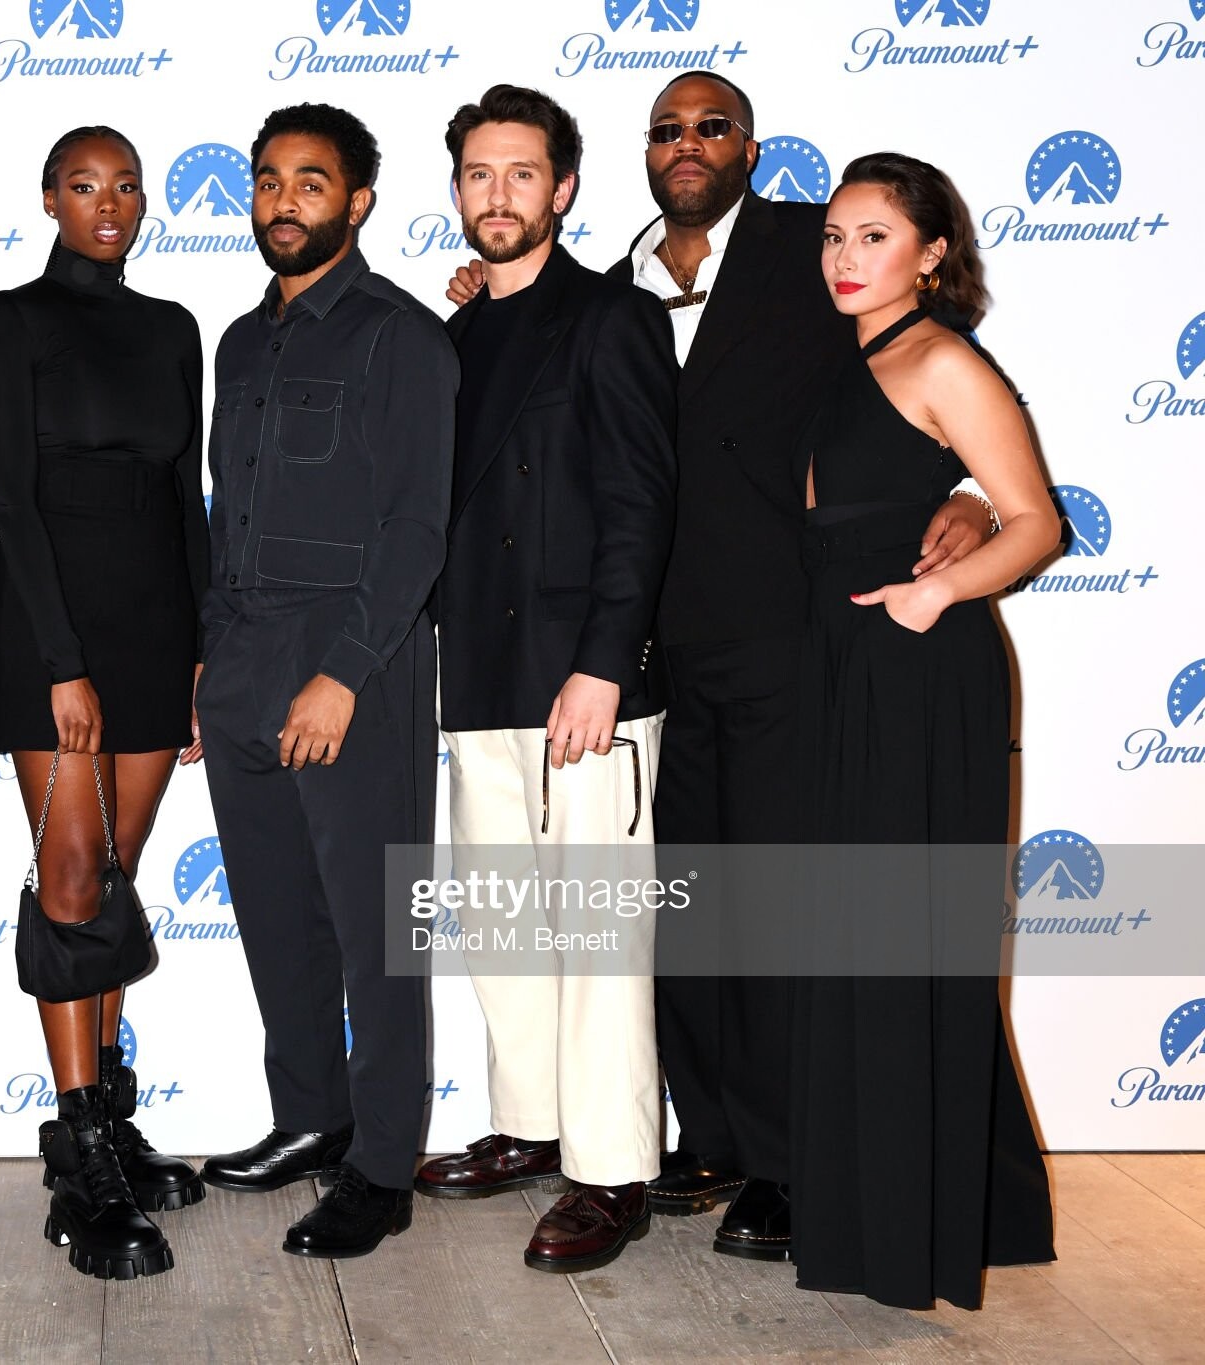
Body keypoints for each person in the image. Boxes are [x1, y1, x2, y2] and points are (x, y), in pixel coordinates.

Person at [447, 71, 992, 1261]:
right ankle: (712, 1134)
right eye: (665, 130)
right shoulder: (611, 282)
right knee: (685, 913)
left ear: (750, 146)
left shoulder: (814, 247)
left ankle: (792, 1163)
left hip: (793, 626)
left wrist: (956, 493)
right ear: (636, 156)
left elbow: (909, 366)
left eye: (711, 126)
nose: (685, 144)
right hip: (662, 641)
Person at [412, 86, 676, 1274]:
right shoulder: (453, 335)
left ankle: (610, 1169)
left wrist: (603, 665)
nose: (497, 193)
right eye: (478, 173)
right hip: (475, 675)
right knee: (504, 927)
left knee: (598, 937)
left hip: (585, 685)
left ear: (561, 188)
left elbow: (639, 502)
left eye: (521, 172)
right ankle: (530, 1125)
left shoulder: (614, 317)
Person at [789, 152, 1056, 1310]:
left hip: (913, 669)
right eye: (833, 236)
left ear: (931, 253)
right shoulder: (841, 358)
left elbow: (1034, 522)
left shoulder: (942, 359)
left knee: (902, 946)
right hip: (836, 667)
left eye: (873, 237)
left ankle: (907, 1237)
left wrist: (934, 591)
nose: (844, 259)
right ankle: (907, 1206)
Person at [196, 102, 456, 1261]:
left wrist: (342, 674)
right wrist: (213, 655)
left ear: (356, 201)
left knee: (375, 933)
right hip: (242, 657)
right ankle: (309, 1117)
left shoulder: (401, 338)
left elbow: (414, 528)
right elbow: (228, 511)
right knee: (275, 916)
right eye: (267, 180)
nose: (283, 201)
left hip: (353, 658)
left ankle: (382, 1166)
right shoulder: (238, 343)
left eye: (310, 182)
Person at [0, 126, 209, 1281]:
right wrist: (59, 663)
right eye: (82, 186)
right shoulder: (9, 320)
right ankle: (77, 1165)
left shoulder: (171, 328)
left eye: (124, 187)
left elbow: (184, 495)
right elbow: (11, 499)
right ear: (48, 198)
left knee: (112, 879)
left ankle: (108, 1119)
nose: (107, 205)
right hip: (50, 630)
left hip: (155, 631)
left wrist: (201, 651)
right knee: (68, 882)